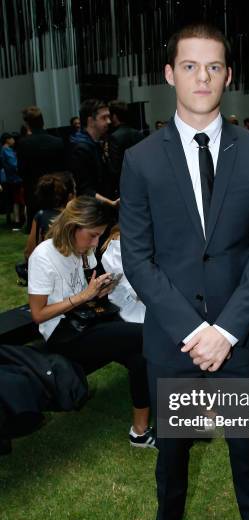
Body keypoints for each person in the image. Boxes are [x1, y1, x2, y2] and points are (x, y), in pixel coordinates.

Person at [120, 22, 249, 520]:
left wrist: (225, 329)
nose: (203, 77)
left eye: (214, 66)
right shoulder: (141, 159)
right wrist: (194, 330)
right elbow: (139, 257)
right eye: (191, 66)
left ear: (228, 75)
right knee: (171, 453)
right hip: (173, 341)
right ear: (170, 74)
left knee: (247, 449)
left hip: (241, 337)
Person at [28, 196, 152, 447]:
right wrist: (84, 296)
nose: (96, 242)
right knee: (145, 335)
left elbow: (84, 293)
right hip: (62, 336)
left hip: (86, 322)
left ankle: (139, 432)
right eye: (93, 236)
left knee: (140, 353)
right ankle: (184, 411)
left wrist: (99, 291)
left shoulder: (82, 249)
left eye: (99, 236)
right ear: (73, 226)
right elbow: (38, 314)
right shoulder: (44, 256)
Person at [101, 225, 152, 447]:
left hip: (149, 316)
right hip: (128, 318)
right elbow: (142, 292)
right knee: (144, 353)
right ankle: (139, 431)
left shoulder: (163, 236)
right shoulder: (117, 247)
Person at [17, 106, 65, 230]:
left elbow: (22, 170)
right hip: (56, 191)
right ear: (43, 122)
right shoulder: (58, 142)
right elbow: (64, 168)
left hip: (34, 192)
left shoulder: (23, 144)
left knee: (36, 229)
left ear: (27, 124)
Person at [69, 99, 118, 207]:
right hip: (93, 211)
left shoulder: (96, 143)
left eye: (109, 117)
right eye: (104, 118)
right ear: (91, 121)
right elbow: (84, 189)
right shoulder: (81, 148)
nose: (109, 121)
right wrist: (110, 203)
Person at [24, 172, 76, 259]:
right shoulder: (77, 218)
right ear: (70, 196)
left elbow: (30, 251)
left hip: (45, 267)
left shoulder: (41, 215)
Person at [108, 101, 143, 189]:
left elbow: (115, 168)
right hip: (141, 181)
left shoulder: (114, 137)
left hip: (125, 185)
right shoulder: (138, 134)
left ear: (114, 117)